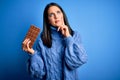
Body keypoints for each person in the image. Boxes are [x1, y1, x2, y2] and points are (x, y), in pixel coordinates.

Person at [22, 2, 87, 80]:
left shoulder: (75, 35)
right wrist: (32, 53)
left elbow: (76, 62)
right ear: (48, 20)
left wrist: (68, 38)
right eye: (51, 15)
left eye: (58, 12)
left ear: (62, 15)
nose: (56, 16)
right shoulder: (43, 40)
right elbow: (39, 74)